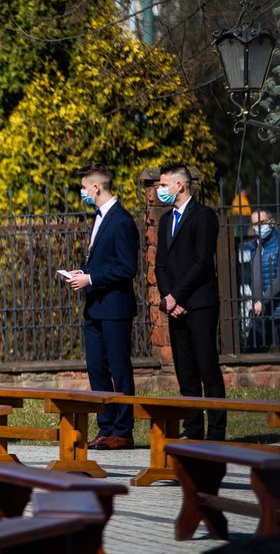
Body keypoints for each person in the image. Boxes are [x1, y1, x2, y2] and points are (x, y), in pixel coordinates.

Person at [65, 164, 138, 450]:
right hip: (95, 307)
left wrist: (91, 278)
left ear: (96, 188)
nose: (82, 192)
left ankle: (123, 429)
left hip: (115, 308)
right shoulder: (98, 217)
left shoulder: (121, 220)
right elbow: (102, 261)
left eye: (84, 187)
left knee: (119, 368)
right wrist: (81, 272)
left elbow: (126, 267)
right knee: (96, 368)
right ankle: (105, 427)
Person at [155, 163, 226, 441]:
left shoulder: (203, 216)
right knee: (185, 370)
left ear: (179, 185)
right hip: (176, 308)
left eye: (163, 185)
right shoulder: (164, 221)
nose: (159, 190)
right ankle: (193, 428)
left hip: (199, 304)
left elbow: (201, 262)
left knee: (207, 366)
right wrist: (167, 298)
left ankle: (217, 430)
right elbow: (160, 263)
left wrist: (177, 296)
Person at [241, 208, 280, 352]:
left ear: (272, 222)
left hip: (277, 311)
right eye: (254, 224)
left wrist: (263, 300)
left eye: (261, 222)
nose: (258, 227)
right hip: (261, 313)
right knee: (250, 356)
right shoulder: (256, 248)